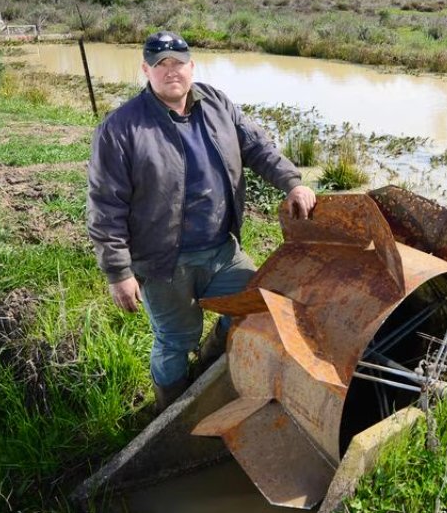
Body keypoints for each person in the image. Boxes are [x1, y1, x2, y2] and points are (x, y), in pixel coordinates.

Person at [86, 30, 316, 412]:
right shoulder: (121, 128)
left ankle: (210, 369)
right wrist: (118, 272)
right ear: (146, 70)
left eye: (178, 63)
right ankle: (171, 413)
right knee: (176, 341)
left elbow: (256, 146)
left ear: (192, 66)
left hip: (222, 250)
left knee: (255, 307)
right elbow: (105, 205)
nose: (170, 71)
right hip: (163, 262)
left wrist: (291, 183)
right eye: (161, 64)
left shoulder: (216, 103)